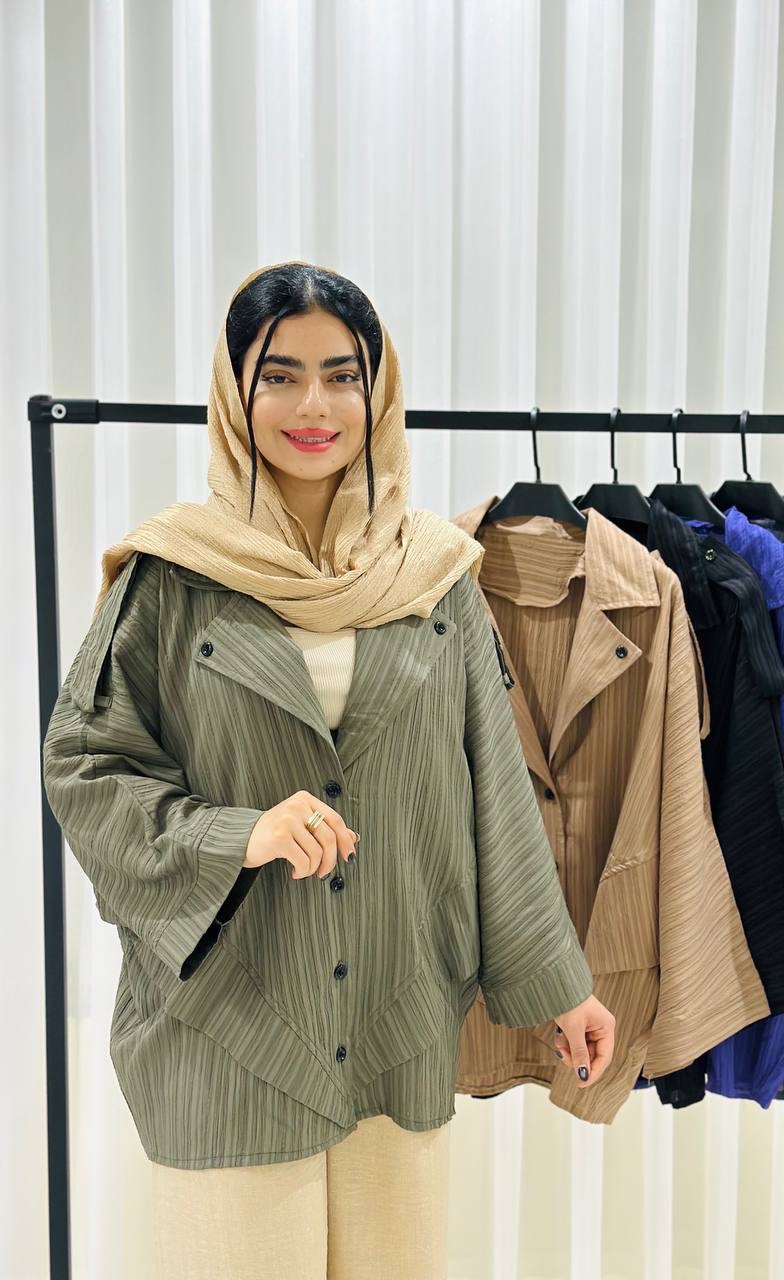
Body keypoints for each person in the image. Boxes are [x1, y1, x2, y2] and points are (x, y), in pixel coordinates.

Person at [41, 261, 616, 1279]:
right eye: (281, 375)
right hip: (228, 1026)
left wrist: (563, 985)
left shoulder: (437, 576)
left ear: (376, 390)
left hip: (399, 1014)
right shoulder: (172, 577)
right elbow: (86, 769)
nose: (314, 405)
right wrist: (239, 833)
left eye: (342, 375)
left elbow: (496, 789)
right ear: (236, 391)